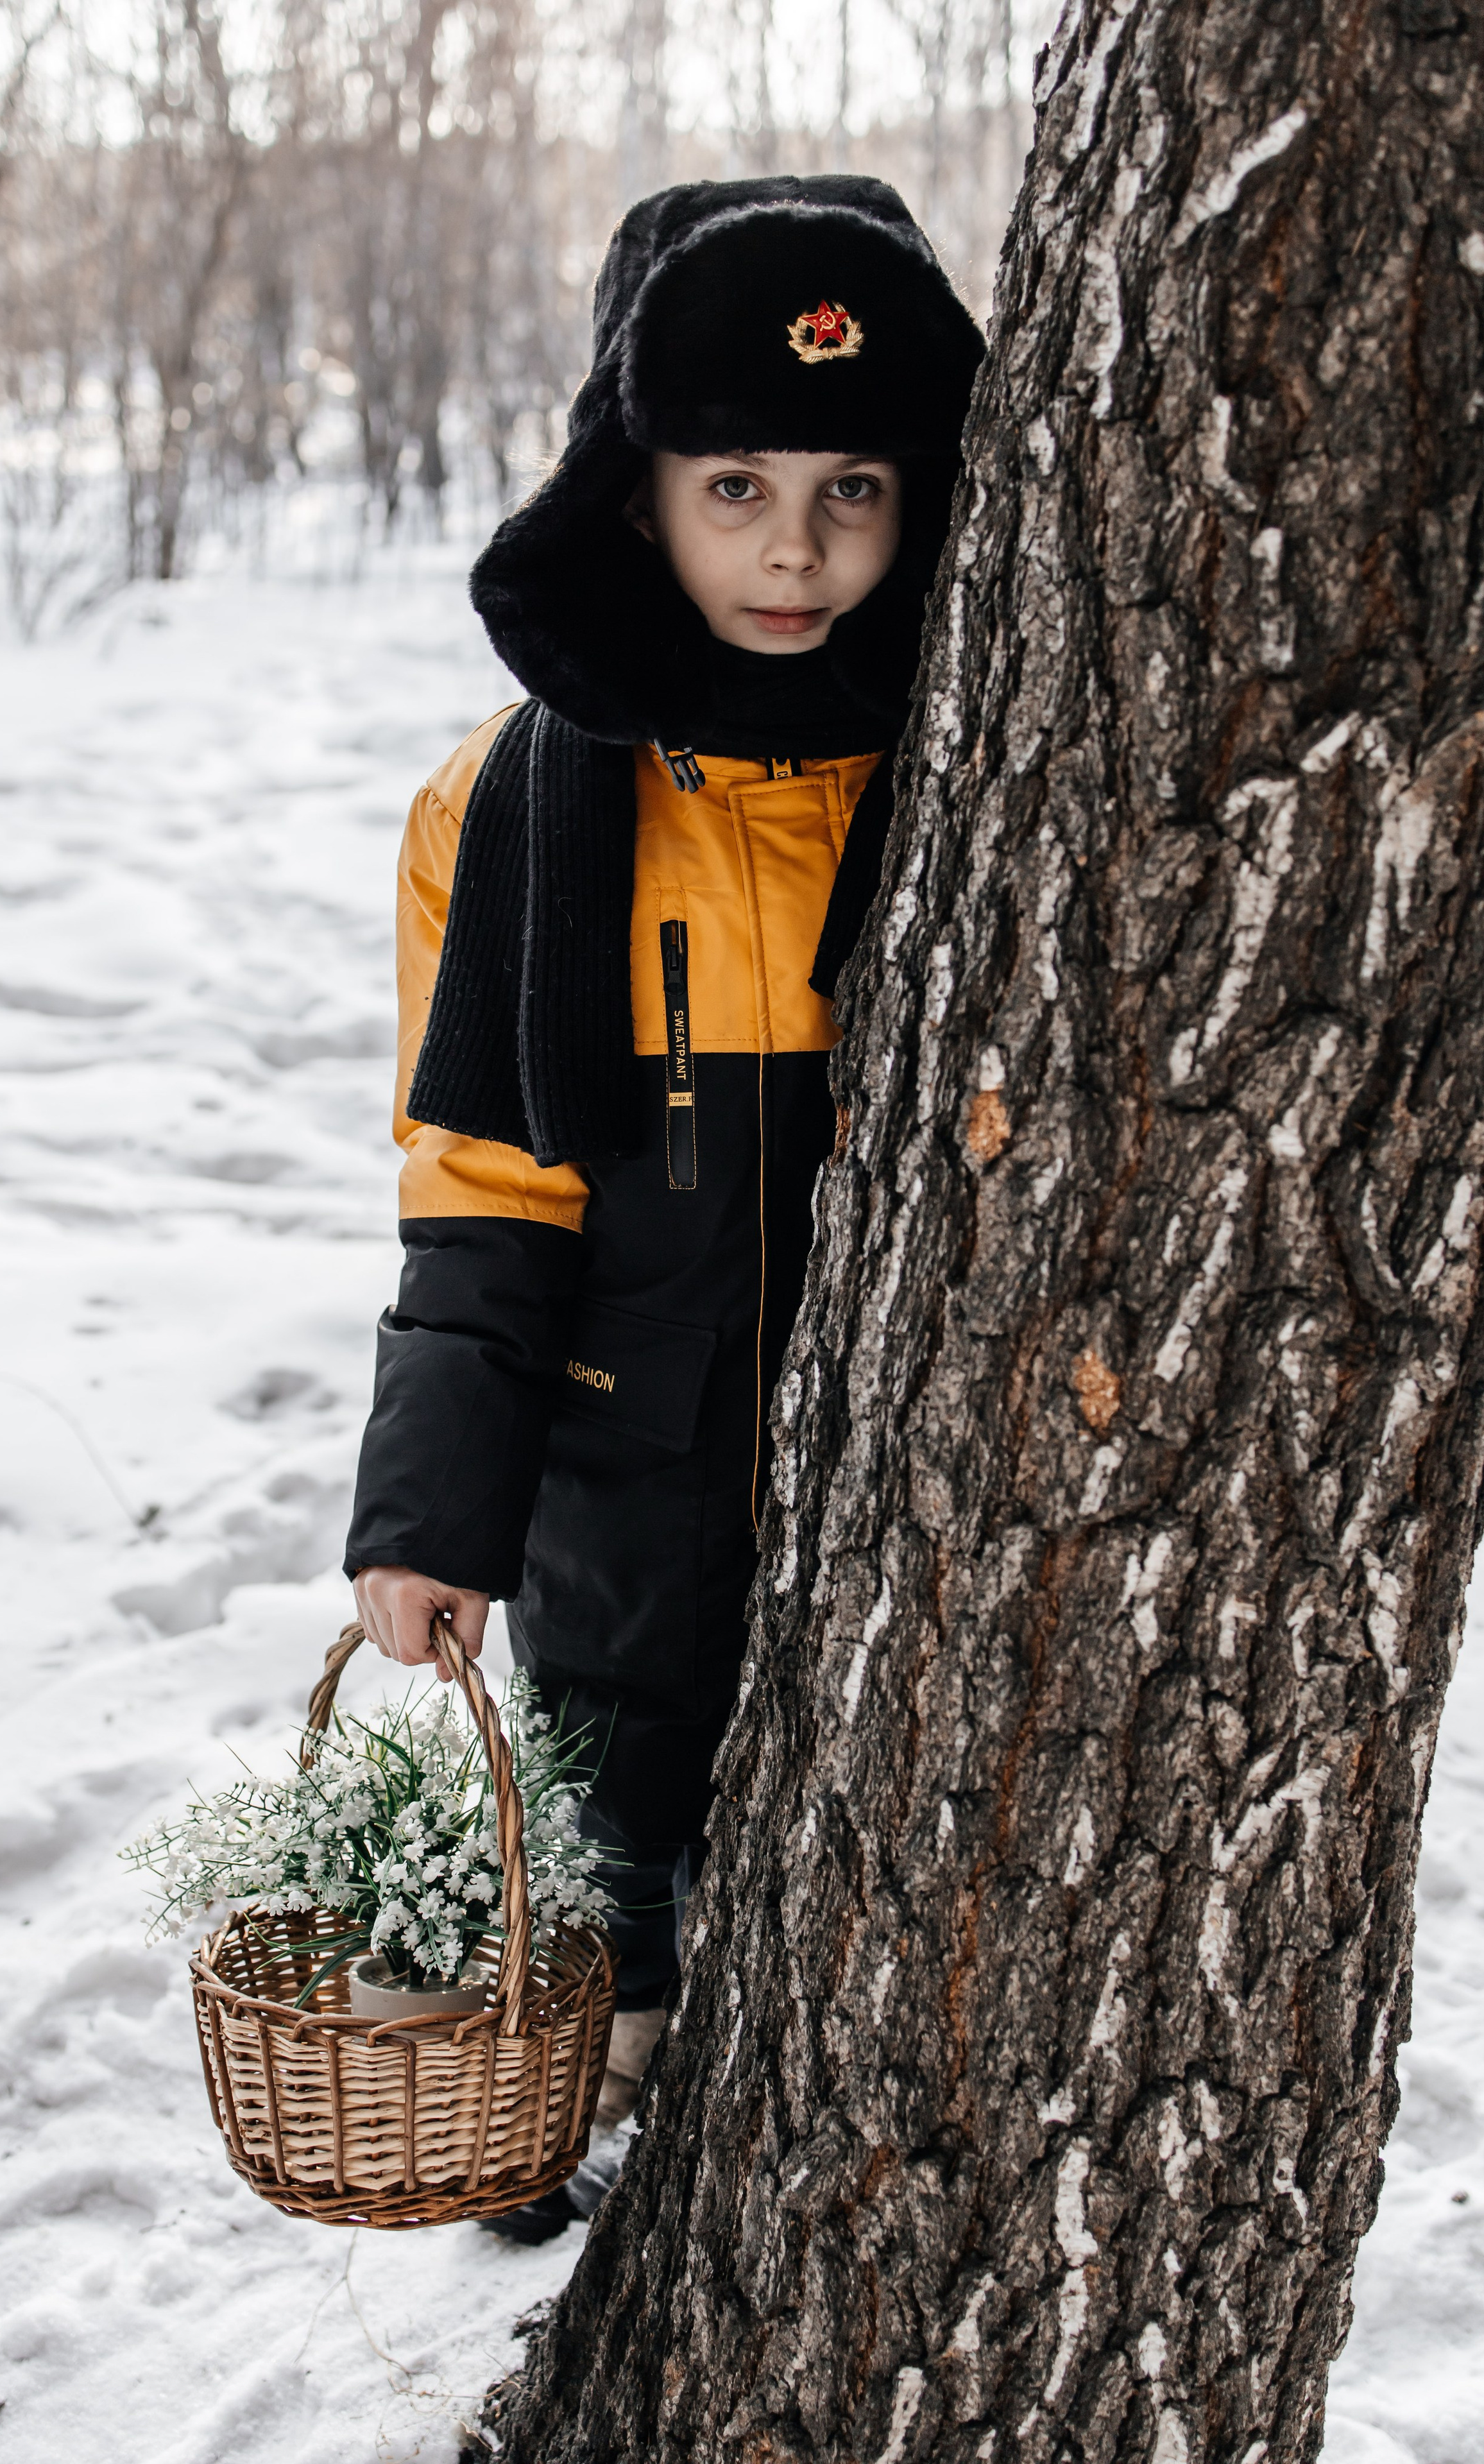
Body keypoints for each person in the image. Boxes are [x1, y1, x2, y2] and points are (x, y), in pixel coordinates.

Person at [345, 174, 982, 2239]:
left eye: (853, 485)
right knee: (621, 1815)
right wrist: (433, 1519)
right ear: (635, 495)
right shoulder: (510, 810)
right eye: (734, 486)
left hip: (914, 1480)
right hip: (625, 1466)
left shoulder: (976, 770)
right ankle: (592, 2069)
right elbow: (483, 1193)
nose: (797, 548)